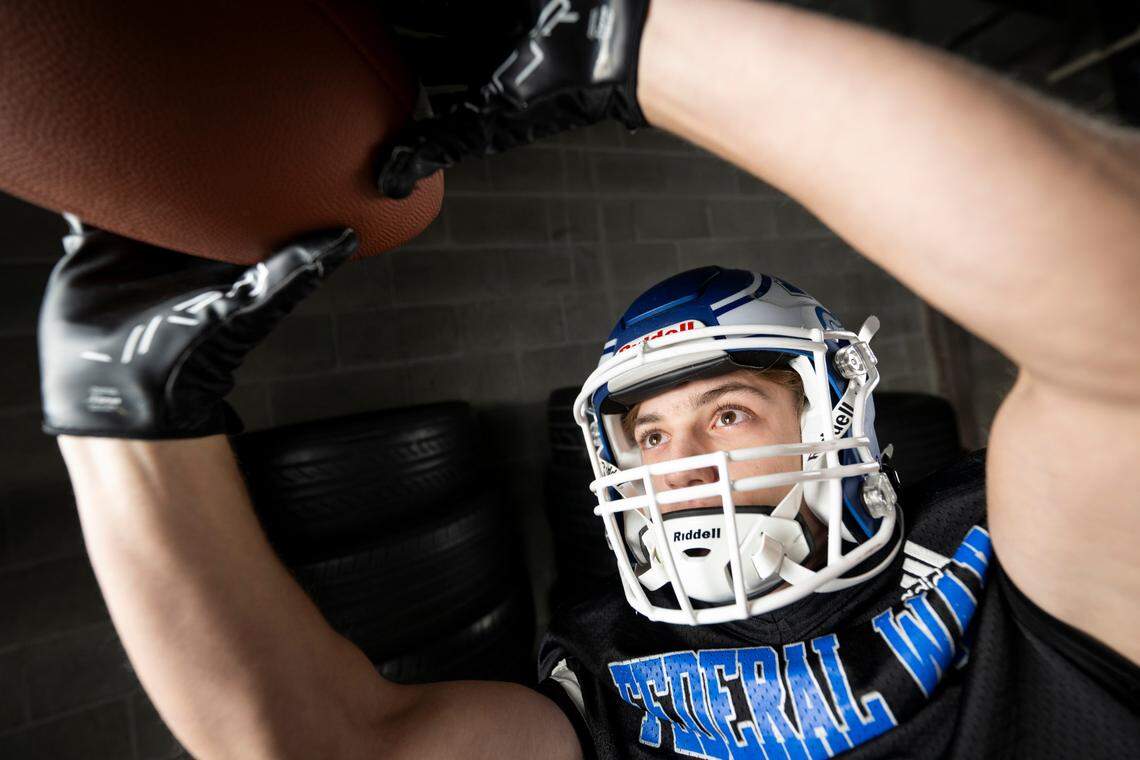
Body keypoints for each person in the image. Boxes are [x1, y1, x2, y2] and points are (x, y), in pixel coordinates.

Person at [36, 0, 1138, 758]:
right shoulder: (616, 666)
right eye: (647, 438)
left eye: (728, 408)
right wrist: (118, 417)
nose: (679, 463)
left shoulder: (993, 559)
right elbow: (319, 740)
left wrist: (637, 41)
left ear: (838, 414)